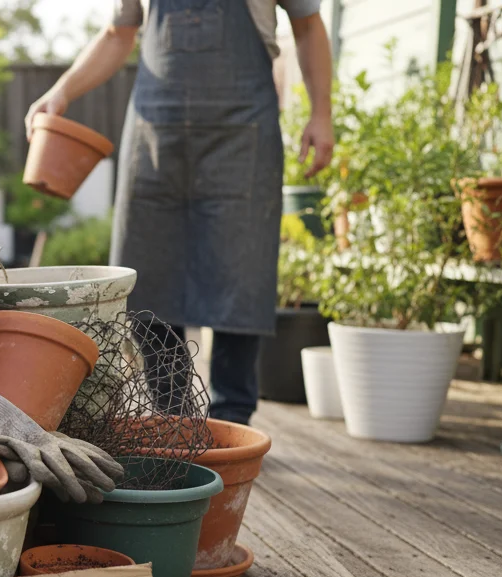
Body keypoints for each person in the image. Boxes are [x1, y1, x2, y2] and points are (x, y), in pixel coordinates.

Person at [26, 0, 334, 425]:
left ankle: (231, 422)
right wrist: (61, 90)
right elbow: (119, 32)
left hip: (241, 133)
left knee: (240, 276)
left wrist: (322, 113)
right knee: (150, 270)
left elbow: (308, 26)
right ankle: (173, 418)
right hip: (156, 134)